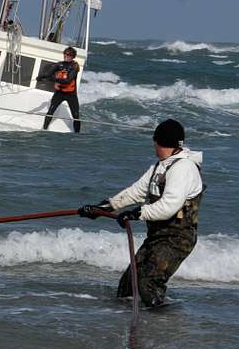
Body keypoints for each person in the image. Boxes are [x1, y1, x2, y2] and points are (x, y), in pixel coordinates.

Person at [79, 119, 204, 306]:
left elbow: (169, 205)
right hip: (157, 237)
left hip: (177, 239)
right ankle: (134, 319)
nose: (153, 145)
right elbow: (136, 192)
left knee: (148, 284)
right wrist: (104, 208)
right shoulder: (160, 166)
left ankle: (160, 325)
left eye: (155, 141)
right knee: (127, 286)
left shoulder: (183, 168)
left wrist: (137, 214)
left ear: (159, 142)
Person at [38, 47, 81, 133]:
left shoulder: (75, 66)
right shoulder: (59, 64)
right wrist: (41, 77)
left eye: (68, 55)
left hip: (71, 94)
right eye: (65, 54)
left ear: (73, 56)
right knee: (50, 111)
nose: (66, 56)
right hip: (59, 93)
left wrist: (53, 79)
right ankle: (44, 130)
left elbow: (68, 80)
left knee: (75, 115)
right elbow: (48, 73)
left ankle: (77, 134)